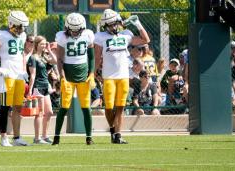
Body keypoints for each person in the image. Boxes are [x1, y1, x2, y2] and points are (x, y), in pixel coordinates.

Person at [94, 9, 150, 144]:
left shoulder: (126, 34)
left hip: (123, 76)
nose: (114, 27)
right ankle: (113, 130)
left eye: (115, 24)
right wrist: (95, 71)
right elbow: (97, 57)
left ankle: (118, 135)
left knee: (120, 107)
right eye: (110, 25)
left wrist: (138, 24)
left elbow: (146, 40)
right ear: (105, 26)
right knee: (108, 107)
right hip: (108, 76)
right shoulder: (100, 37)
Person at [0, 10, 30, 147]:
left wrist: (24, 69)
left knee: (18, 107)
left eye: (22, 26)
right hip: (7, 75)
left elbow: (21, 54)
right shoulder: (2, 35)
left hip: (19, 76)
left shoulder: (22, 36)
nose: (21, 29)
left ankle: (16, 137)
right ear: (11, 24)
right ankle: (4, 137)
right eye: (19, 26)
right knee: (5, 107)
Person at [52, 13, 95, 146]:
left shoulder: (88, 35)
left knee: (86, 107)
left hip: (83, 76)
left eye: (78, 30)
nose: (75, 33)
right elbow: (59, 59)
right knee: (64, 107)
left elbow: (92, 57)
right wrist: (62, 75)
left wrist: (91, 73)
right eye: (73, 30)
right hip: (68, 76)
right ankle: (56, 137)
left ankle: (89, 137)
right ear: (67, 28)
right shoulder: (62, 37)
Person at [27, 35, 56, 144]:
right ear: (36, 45)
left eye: (44, 43)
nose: (43, 45)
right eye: (42, 44)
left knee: (49, 112)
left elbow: (55, 61)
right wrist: (30, 90)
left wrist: (49, 50)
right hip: (38, 87)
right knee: (40, 113)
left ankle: (44, 136)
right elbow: (32, 75)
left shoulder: (44, 57)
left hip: (45, 86)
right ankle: (37, 138)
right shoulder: (33, 58)